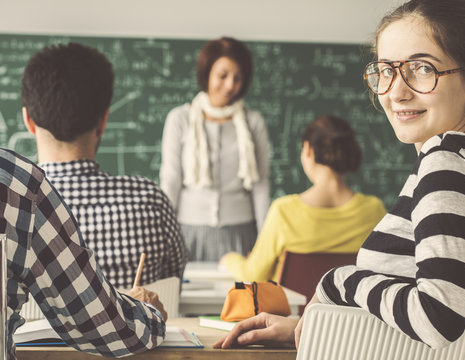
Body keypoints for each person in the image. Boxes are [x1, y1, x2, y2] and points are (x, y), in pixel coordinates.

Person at [215, 0, 465, 351]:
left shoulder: (445, 163)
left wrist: (339, 281)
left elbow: (438, 317)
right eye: (386, 70)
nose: (396, 91)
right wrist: (312, 325)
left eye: (422, 68)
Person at [22, 42, 188, 290]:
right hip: (131, 330)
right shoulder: (151, 201)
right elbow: (172, 288)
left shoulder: (13, 205)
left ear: (29, 121)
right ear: (103, 121)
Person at [1, 148, 167, 360]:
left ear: (28, 121)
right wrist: (148, 313)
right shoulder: (17, 182)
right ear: (104, 121)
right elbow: (103, 329)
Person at [220, 115, 386, 282]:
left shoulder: (284, 212)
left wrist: (230, 260)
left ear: (308, 149)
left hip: (292, 309)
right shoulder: (374, 211)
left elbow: (253, 275)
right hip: (349, 308)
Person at [160, 36, 270, 261]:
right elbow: (171, 180)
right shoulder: (179, 119)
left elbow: (260, 186)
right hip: (187, 233)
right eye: (223, 75)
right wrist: (163, 238)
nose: (230, 85)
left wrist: (265, 243)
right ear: (206, 73)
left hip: (241, 234)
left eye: (238, 78)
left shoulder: (253, 122)